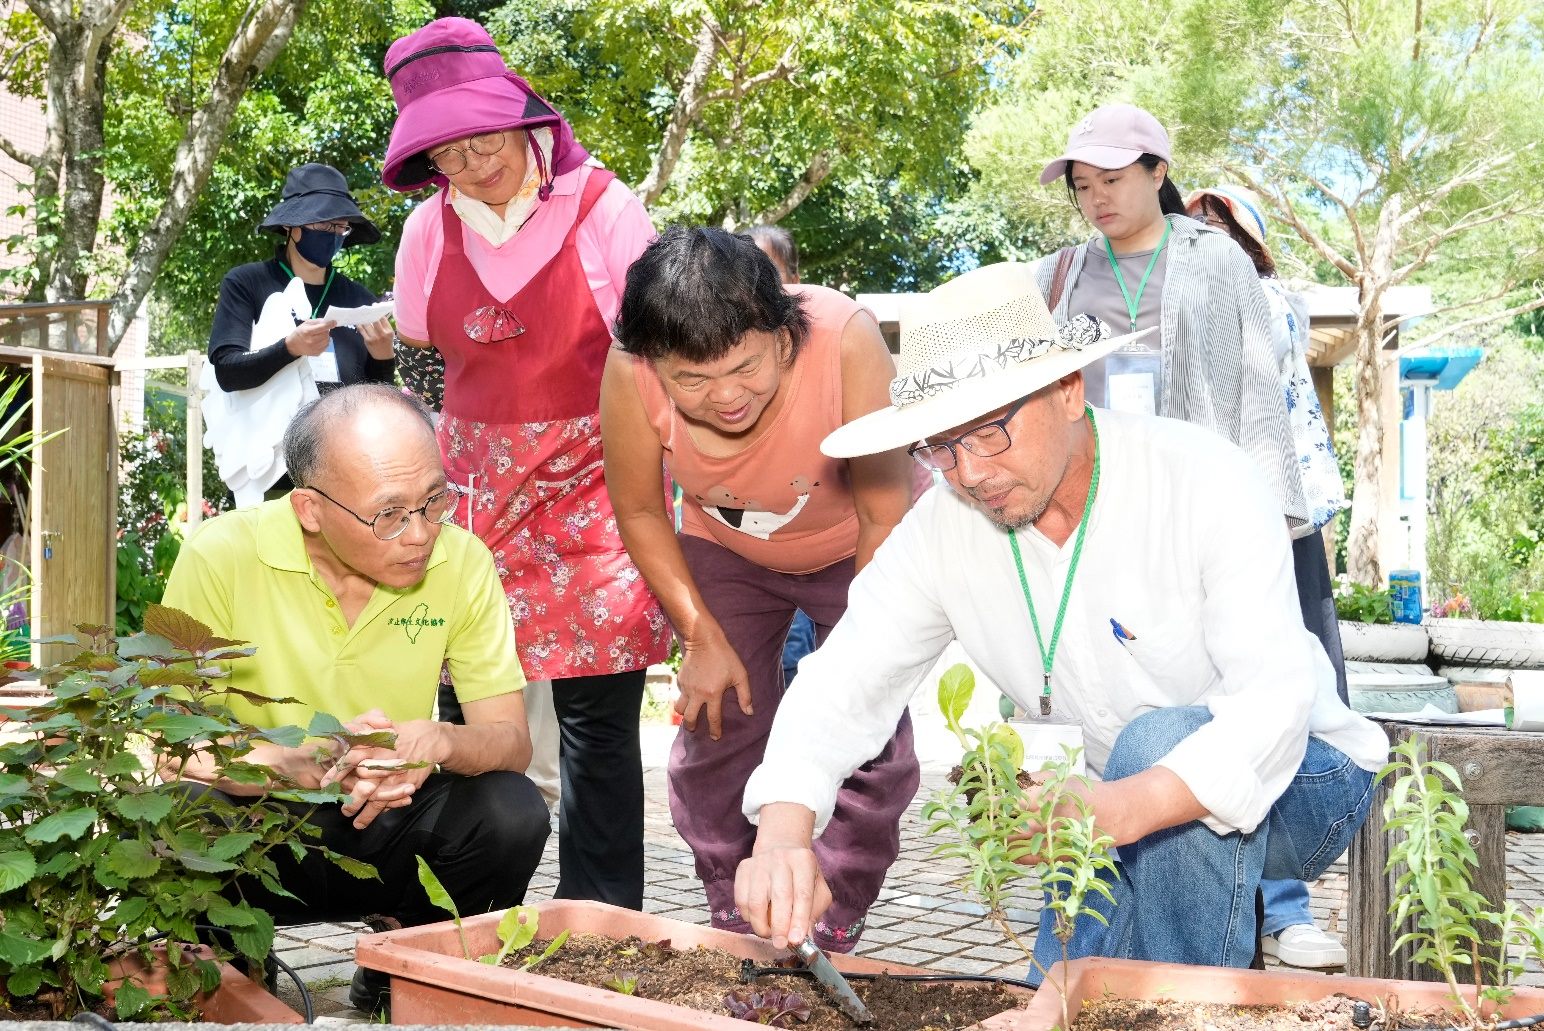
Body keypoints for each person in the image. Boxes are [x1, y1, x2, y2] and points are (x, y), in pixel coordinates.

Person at [732, 263, 1386, 975]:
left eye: (989, 433)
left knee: (1157, 745)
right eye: (941, 447)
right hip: (1111, 797)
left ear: (1069, 391)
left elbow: (1273, 704)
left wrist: (1116, 809)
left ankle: (1187, 1011)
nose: (971, 473)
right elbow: (846, 677)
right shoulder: (942, 528)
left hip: (1304, 776)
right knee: (1054, 996)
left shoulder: (1205, 478)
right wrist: (783, 829)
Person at [381, 17, 670, 910]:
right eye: (449, 154)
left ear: (523, 116)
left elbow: (658, 355)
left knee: (595, 733)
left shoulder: (607, 210)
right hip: (470, 499)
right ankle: (432, 932)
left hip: (596, 493)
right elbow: (423, 361)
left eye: (484, 138)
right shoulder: (427, 233)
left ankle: (601, 932)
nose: (473, 164)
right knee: (462, 723)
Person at [162, 384, 551, 1015]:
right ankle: (233, 976)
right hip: (259, 827)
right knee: (180, 808)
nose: (420, 534)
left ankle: (408, 968)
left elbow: (510, 740)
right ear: (309, 510)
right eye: (389, 513)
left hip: (387, 814)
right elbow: (166, 741)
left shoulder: (462, 560)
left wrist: (438, 743)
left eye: (434, 501)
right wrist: (294, 760)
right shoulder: (222, 553)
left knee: (512, 810)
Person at [602, 226, 919, 951]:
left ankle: (830, 901)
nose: (725, 397)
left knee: (868, 726)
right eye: (692, 381)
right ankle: (737, 899)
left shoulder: (844, 338)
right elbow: (642, 509)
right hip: (726, 550)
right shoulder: (630, 367)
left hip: (857, 544)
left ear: (782, 338)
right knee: (716, 719)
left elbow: (882, 510)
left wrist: (859, 667)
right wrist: (700, 635)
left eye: (743, 368)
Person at [1187, 183, 1351, 970]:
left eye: (1222, 233)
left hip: (1282, 529)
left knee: (1293, 705)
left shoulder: (1270, 302)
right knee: (1198, 711)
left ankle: (1284, 906)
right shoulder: (1172, 303)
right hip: (1193, 536)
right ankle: (1220, 912)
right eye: (1196, 229)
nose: (1205, 241)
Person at [1033, 103, 1306, 533]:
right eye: (1082, 186)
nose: (1097, 198)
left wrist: (1267, 515)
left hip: (1197, 506)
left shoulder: (1218, 257)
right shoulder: (1056, 274)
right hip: (1092, 508)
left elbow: (1260, 391)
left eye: (1111, 179)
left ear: (1157, 172)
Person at [205, 164, 398, 506]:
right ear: (292, 227)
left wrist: (384, 358)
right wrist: (289, 348)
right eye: (323, 224)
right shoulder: (248, 283)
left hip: (346, 469)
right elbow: (227, 370)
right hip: (272, 469)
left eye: (341, 227)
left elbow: (376, 399)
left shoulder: (358, 299)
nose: (334, 234)